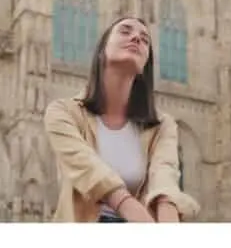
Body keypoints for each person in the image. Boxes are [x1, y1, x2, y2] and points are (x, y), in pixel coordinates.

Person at [44, 15, 199, 224]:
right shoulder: (63, 113)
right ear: (101, 51)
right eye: (125, 31)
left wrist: (166, 209)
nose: (136, 38)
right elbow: (88, 168)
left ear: (146, 64)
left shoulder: (163, 125)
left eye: (145, 39)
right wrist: (127, 205)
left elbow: (164, 173)